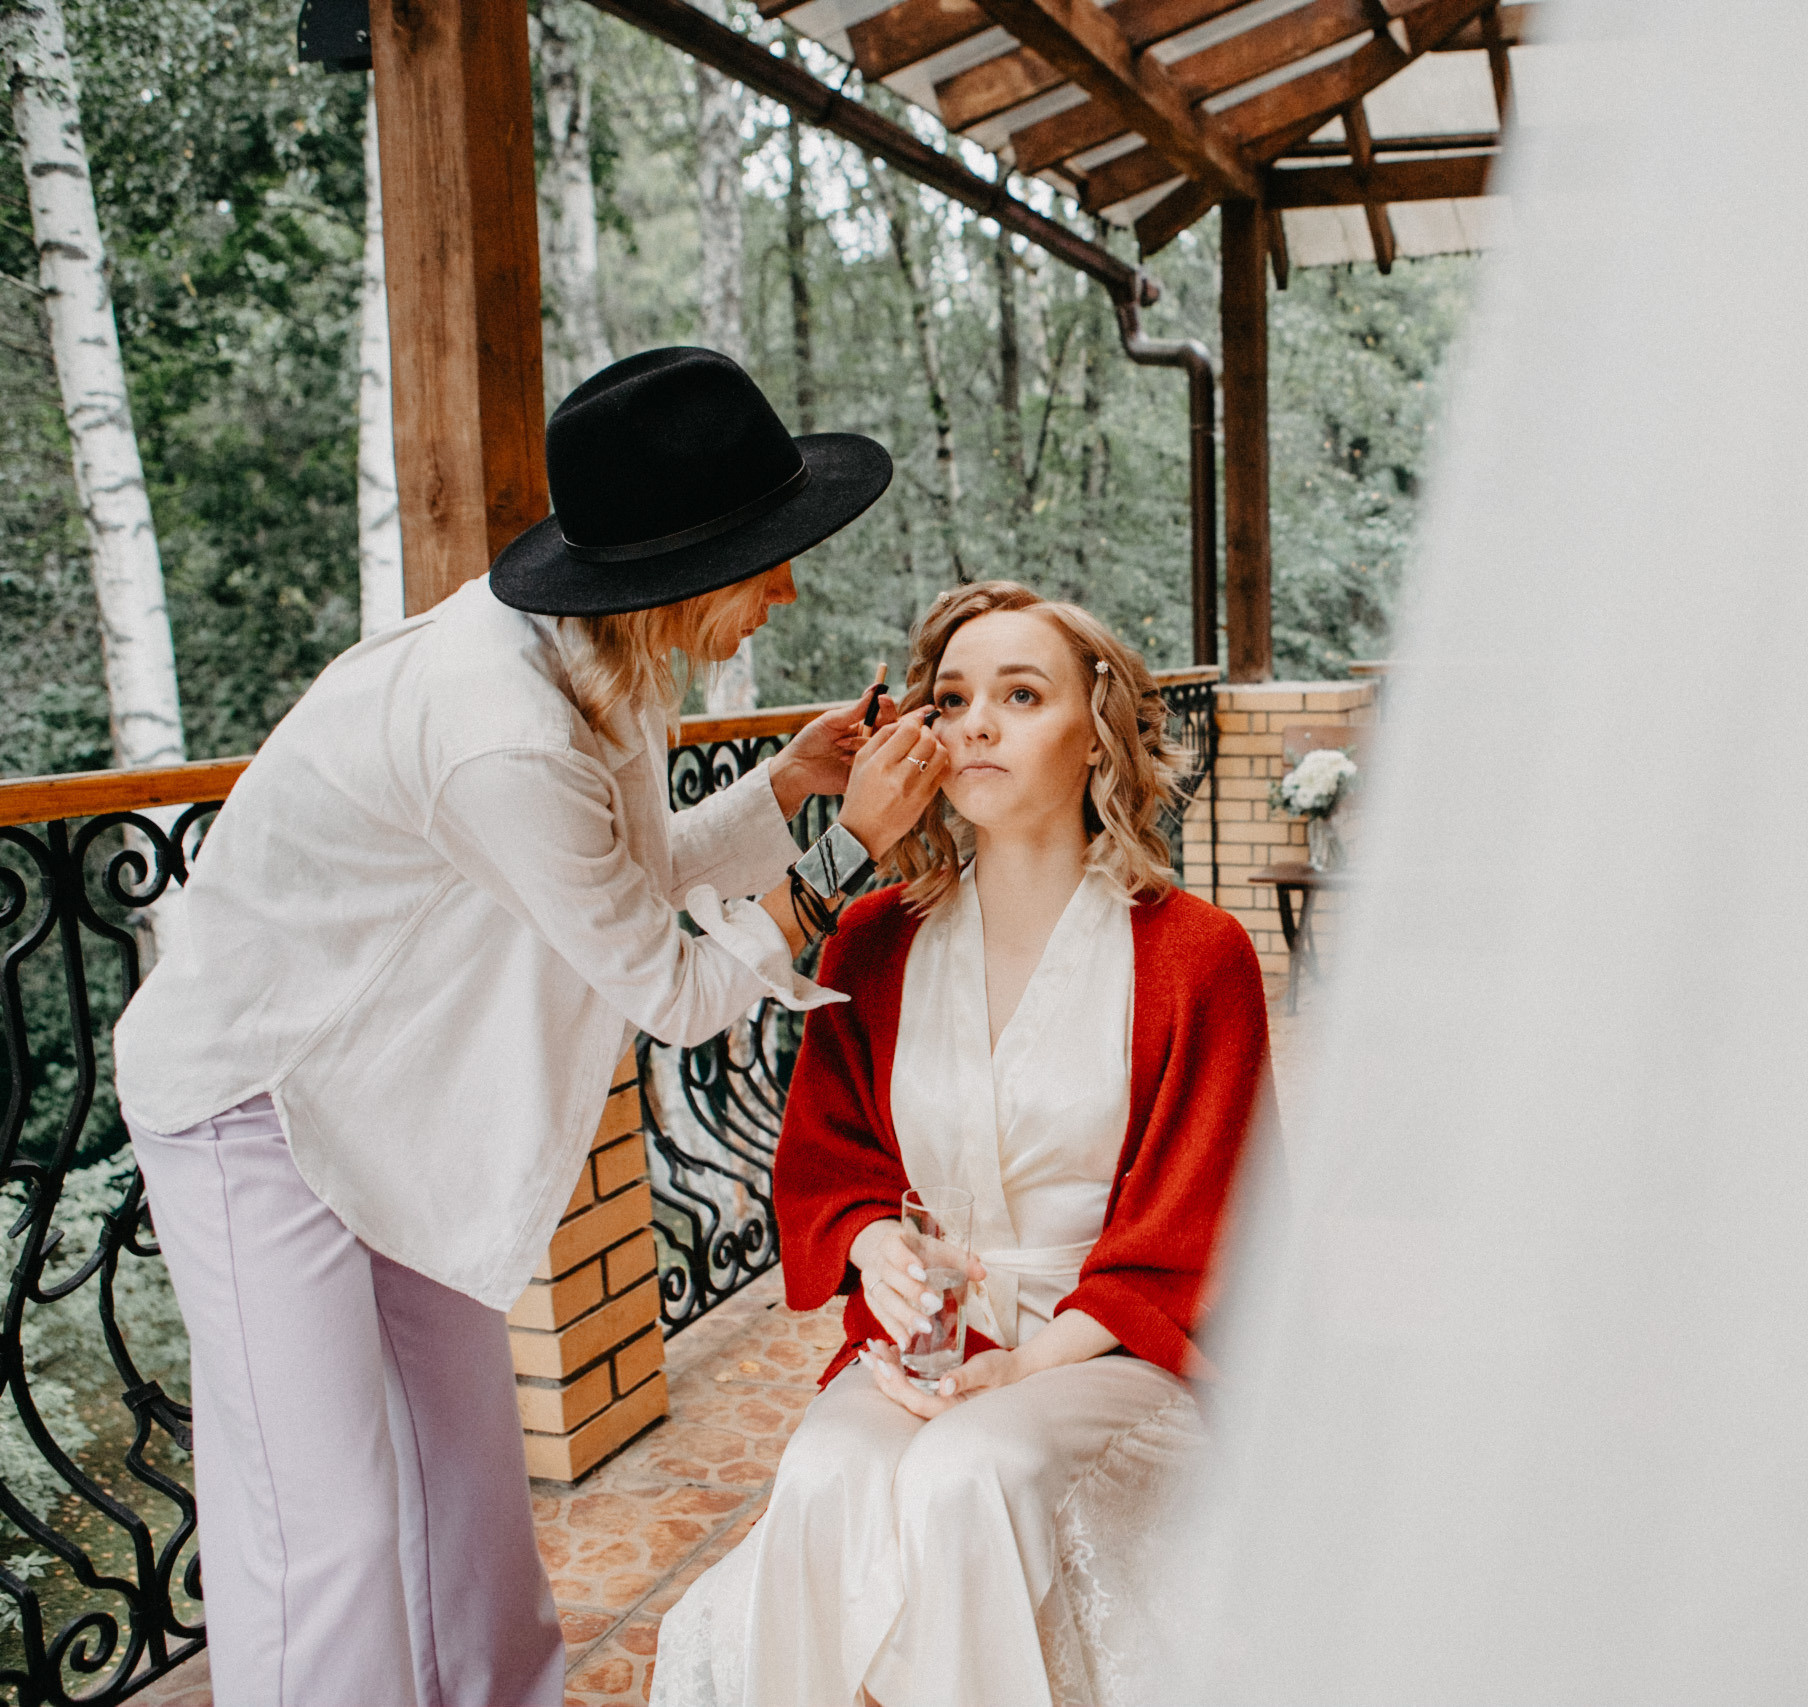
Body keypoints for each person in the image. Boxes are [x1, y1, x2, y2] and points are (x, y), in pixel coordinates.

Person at [111, 347, 951, 1706]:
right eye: (771, 557)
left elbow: (624, 868)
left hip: (384, 1089)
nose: (790, 585)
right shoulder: (497, 724)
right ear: (683, 570)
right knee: (318, 1525)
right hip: (249, 1098)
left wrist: (789, 785)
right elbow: (669, 990)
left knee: (466, 1465)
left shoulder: (607, 658)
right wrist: (848, 847)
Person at [654, 582, 1272, 1707]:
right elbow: (833, 1167)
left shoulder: (1197, 953)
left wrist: (1026, 1365)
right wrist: (868, 1248)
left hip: (1107, 1345)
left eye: (1020, 694)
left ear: (1098, 730)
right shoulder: (869, 940)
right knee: (826, 1466)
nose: (974, 723)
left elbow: (1197, 1224)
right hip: (928, 1343)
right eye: (950, 699)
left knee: (967, 1474)